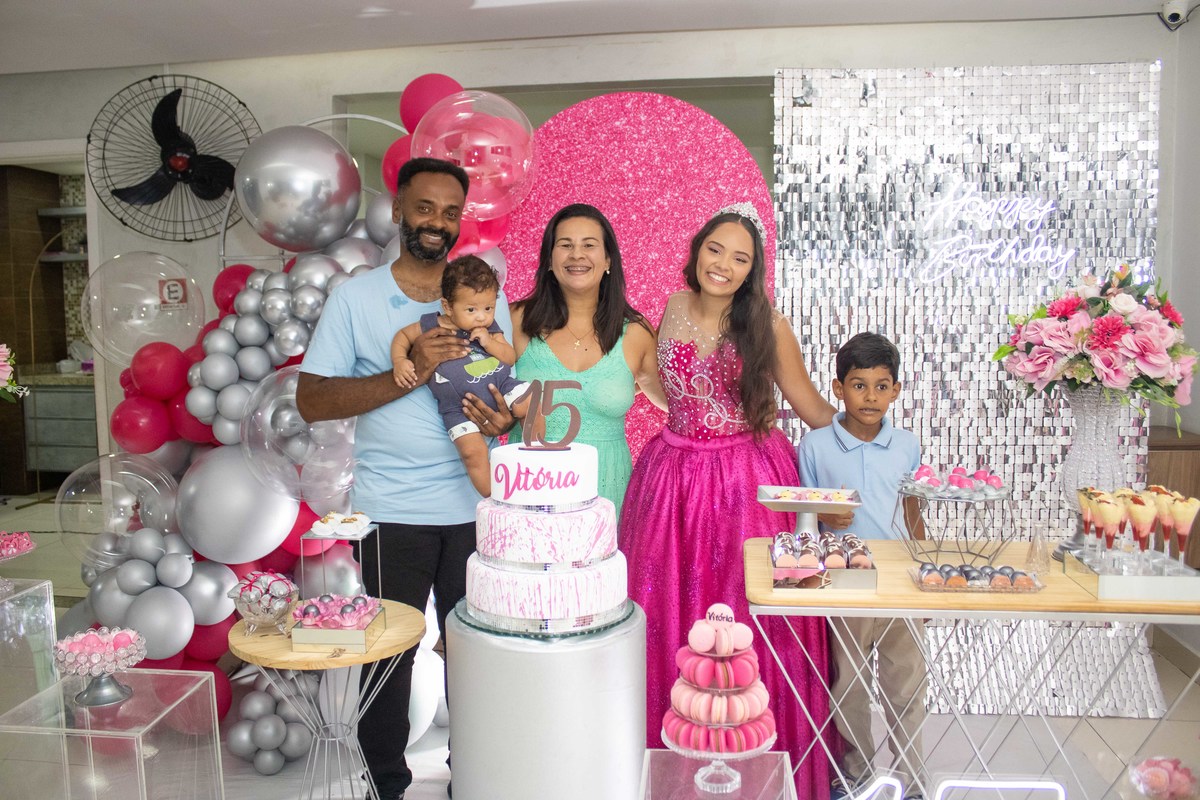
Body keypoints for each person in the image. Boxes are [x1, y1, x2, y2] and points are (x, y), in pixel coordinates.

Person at [618, 204, 837, 798]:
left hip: (747, 484)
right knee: (666, 611)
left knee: (751, 614)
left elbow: (811, 407)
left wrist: (873, 439)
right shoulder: (671, 306)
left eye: (740, 258)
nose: (723, 265)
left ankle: (761, 771)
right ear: (697, 251)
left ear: (752, 270)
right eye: (715, 249)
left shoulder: (769, 324)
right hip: (671, 482)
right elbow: (666, 389)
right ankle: (671, 771)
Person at [296, 157, 497, 800]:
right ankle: (385, 784)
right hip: (391, 510)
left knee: (476, 652)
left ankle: (477, 774)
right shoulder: (356, 299)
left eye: (450, 211)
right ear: (397, 210)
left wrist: (499, 415)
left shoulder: (479, 297)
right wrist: (408, 372)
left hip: (476, 508)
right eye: (425, 207)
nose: (438, 221)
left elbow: (502, 388)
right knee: (389, 655)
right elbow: (312, 400)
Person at [461, 203, 664, 516]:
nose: (576, 255)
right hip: (529, 491)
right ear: (549, 259)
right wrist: (500, 418)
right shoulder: (515, 320)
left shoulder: (637, 333)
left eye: (589, 245)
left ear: (608, 260)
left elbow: (676, 403)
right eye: (565, 245)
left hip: (607, 494)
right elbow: (477, 387)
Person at [798, 332, 926, 800]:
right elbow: (804, 517)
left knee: (906, 685)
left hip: (900, 585)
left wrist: (924, 575)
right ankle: (856, 774)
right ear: (838, 388)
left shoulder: (907, 445)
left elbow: (913, 510)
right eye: (858, 385)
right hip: (845, 582)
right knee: (848, 684)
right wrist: (824, 514)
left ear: (895, 391)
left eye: (881, 386)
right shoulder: (815, 447)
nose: (870, 397)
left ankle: (911, 779)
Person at [391, 254, 531, 496]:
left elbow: (509, 357)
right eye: (471, 309)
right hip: (457, 408)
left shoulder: (490, 329)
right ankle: (494, 496)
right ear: (447, 307)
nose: (481, 316)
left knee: (530, 404)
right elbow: (402, 336)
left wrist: (489, 342)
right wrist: (400, 360)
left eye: (488, 308)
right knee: (472, 453)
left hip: (501, 385)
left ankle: (537, 451)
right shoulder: (431, 324)